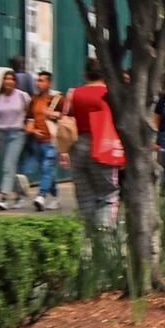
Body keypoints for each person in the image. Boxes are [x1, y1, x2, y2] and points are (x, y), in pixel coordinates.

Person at [59, 59, 119, 228]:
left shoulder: (73, 93)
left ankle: (89, 232)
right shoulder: (110, 94)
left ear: (85, 74)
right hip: (105, 145)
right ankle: (105, 231)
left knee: (84, 193)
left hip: (78, 145)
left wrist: (63, 151)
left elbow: (65, 122)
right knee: (108, 192)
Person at [0, 71, 32, 209]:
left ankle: (4, 197)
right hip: (2, 135)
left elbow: (32, 112)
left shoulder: (22, 96)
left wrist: (30, 123)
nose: (9, 81)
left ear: (15, 82)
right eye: (6, 79)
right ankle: (21, 193)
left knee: (7, 167)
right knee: (9, 167)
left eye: (11, 79)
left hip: (17, 134)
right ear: (3, 82)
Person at [24, 71, 64, 210]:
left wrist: (53, 114)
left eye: (42, 81)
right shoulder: (34, 100)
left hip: (52, 141)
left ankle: (40, 196)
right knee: (47, 171)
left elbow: (66, 117)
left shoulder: (57, 99)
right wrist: (33, 130)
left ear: (49, 83)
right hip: (37, 142)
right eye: (38, 80)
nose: (38, 83)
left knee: (47, 168)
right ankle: (55, 197)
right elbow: (29, 120)